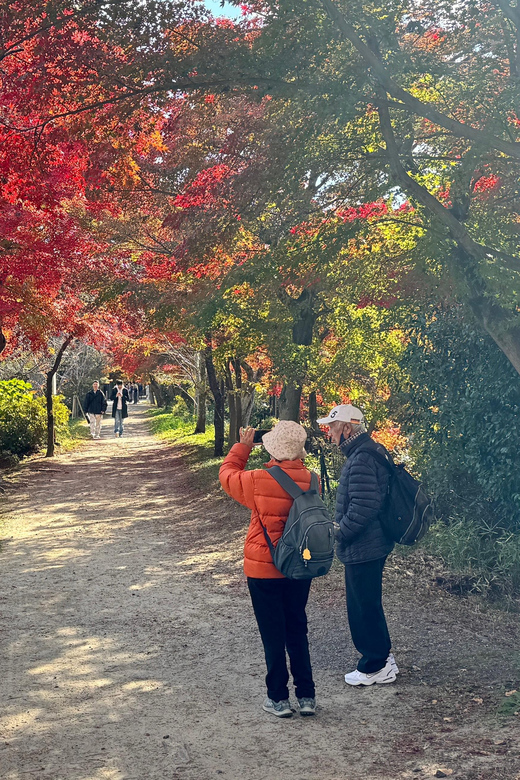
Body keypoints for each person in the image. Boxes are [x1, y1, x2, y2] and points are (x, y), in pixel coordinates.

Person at [219, 420, 318, 718]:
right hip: (300, 566)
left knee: (272, 632)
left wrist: (243, 447)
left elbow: (226, 476)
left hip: (264, 569)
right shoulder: (313, 480)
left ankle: (277, 698)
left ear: (273, 449)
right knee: (297, 628)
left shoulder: (259, 479)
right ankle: (307, 696)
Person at [316, 404, 397, 686]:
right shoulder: (366, 452)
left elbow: (365, 505)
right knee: (368, 603)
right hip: (371, 543)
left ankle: (374, 665)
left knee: (363, 607)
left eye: (331, 427)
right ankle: (383, 659)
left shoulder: (361, 458)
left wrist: (342, 532)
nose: (328, 433)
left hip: (364, 545)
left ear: (347, 428)